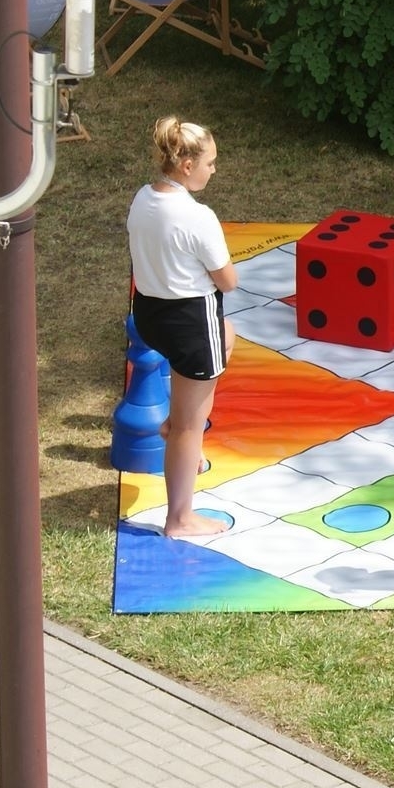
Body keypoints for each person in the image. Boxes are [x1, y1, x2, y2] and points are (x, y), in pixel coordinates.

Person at [128, 116, 237, 539]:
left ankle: (179, 430)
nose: (214, 169)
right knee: (191, 425)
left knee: (228, 337)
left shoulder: (142, 197)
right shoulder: (198, 217)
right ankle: (180, 518)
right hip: (190, 321)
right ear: (187, 165)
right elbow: (228, 280)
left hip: (150, 314)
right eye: (210, 162)